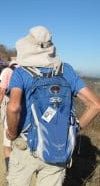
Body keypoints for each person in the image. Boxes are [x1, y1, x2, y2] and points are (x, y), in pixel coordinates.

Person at [6, 26, 100, 186]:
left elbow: (13, 107)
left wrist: (12, 133)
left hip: (26, 146)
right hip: (57, 147)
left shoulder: (21, 72)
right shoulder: (66, 70)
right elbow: (96, 105)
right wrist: (73, 130)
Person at [0, 60, 18, 174]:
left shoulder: (7, 71)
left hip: (10, 102)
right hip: (26, 107)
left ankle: (9, 171)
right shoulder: (27, 71)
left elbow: (2, 92)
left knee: (7, 142)